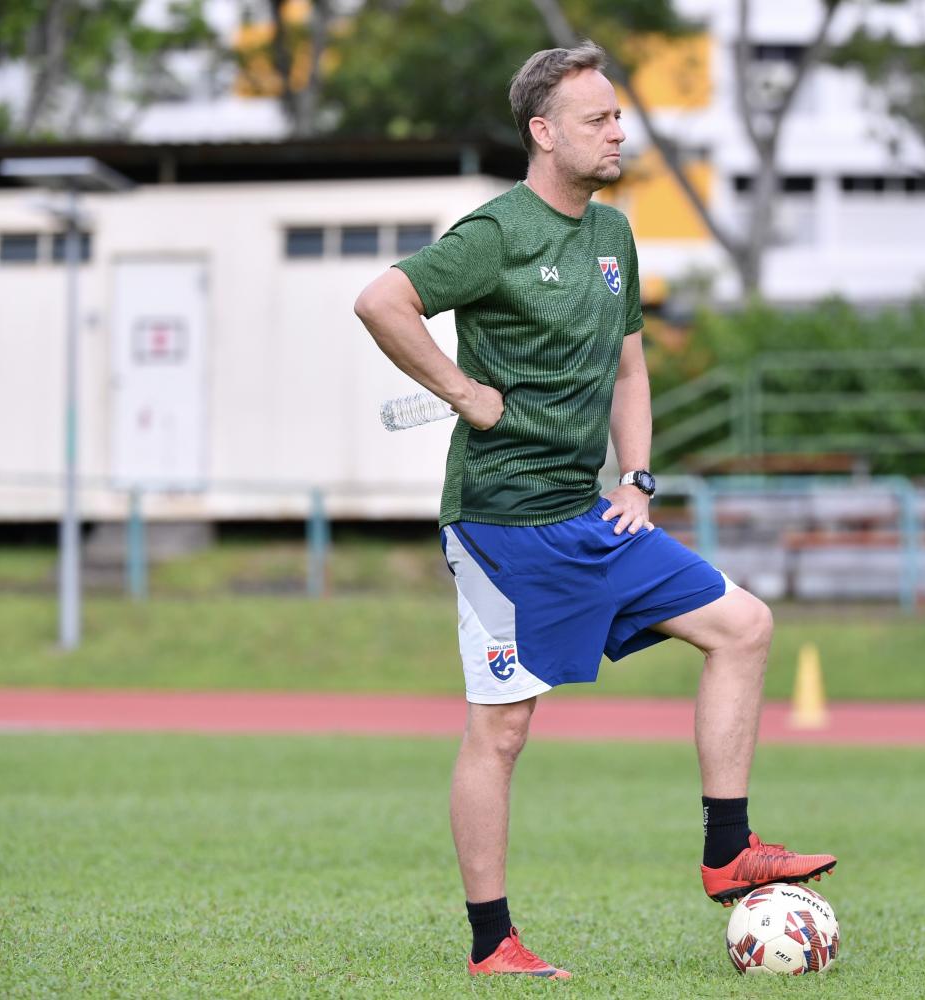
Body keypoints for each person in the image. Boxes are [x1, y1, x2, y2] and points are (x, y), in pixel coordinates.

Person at [353, 40, 836, 980]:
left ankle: (727, 850)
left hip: (591, 515)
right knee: (501, 730)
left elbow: (628, 366)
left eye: (616, 116)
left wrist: (637, 478)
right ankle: (494, 945)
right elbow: (382, 302)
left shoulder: (612, 235)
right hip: (499, 527)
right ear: (543, 132)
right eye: (597, 118)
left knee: (743, 625)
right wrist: (464, 392)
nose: (618, 130)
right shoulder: (493, 234)